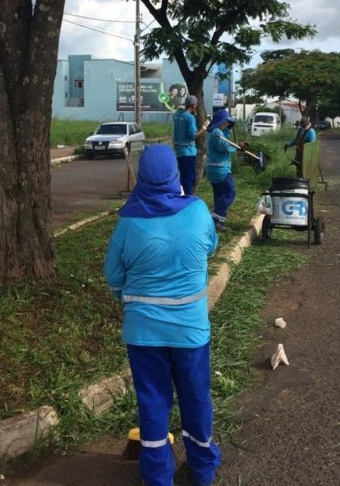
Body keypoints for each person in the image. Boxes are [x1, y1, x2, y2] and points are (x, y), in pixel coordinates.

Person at [104, 145, 221, 486]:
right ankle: (202, 469)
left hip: (143, 335)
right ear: (175, 176)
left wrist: (131, 301)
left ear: (141, 178)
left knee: (153, 403)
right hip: (190, 332)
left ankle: (158, 477)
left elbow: (114, 276)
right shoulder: (198, 212)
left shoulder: (128, 223)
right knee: (196, 397)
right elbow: (210, 247)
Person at [205, 109, 239, 231]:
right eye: (227, 122)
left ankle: (220, 222)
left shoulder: (212, 131)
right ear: (221, 121)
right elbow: (223, 146)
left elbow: (226, 137)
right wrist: (238, 148)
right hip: (220, 169)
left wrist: (230, 128)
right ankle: (214, 219)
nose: (228, 124)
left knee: (219, 196)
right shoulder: (217, 132)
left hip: (212, 169)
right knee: (230, 193)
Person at [173, 94, 207, 195]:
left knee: (182, 177)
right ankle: (187, 199)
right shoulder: (190, 117)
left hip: (179, 152)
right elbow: (193, 135)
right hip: (188, 153)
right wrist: (204, 128)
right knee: (188, 178)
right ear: (193, 105)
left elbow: (179, 110)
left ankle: (181, 197)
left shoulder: (177, 115)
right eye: (195, 105)